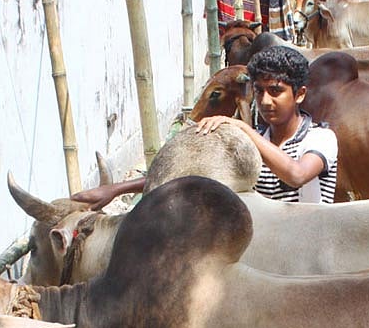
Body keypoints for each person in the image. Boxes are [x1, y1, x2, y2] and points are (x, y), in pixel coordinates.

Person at [72, 46, 339, 208]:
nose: (266, 101)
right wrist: (116, 189)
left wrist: (241, 128)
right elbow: (186, 174)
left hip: (309, 253)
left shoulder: (320, 138)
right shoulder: (255, 140)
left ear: (299, 94)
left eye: (276, 91)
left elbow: (296, 175)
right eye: (259, 91)